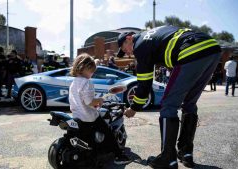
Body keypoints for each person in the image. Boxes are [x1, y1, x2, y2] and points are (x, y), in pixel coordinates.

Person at [118, 26, 221, 169]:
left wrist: (134, 108)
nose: (127, 53)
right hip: (212, 49)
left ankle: (168, 158)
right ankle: (186, 153)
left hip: (190, 52)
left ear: (129, 38)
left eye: (124, 48)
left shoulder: (140, 46)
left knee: (168, 105)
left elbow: (144, 85)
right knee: (189, 103)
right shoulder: (152, 35)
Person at [69, 53, 131, 165]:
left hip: (77, 116)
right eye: (91, 71)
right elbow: (89, 102)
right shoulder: (86, 82)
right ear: (84, 68)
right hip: (89, 117)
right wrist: (99, 100)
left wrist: (94, 103)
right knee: (108, 132)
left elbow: (81, 101)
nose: (92, 74)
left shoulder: (73, 82)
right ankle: (119, 156)